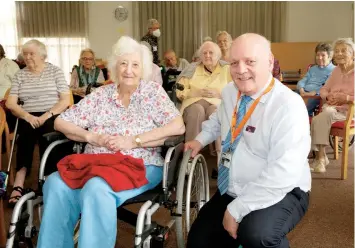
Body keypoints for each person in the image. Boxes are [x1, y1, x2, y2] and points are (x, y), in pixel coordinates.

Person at [37, 36, 185, 248]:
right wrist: (91, 137)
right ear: (114, 67)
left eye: (135, 65)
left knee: (96, 188)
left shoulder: (152, 93)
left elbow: (178, 126)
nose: (128, 70)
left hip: (140, 163)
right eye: (123, 63)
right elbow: (61, 122)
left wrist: (134, 141)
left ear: (142, 68)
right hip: (95, 163)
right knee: (55, 183)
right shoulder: (101, 95)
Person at [185, 33, 311, 248]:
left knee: (256, 235)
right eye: (234, 63)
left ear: (270, 61)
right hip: (234, 187)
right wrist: (200, 140)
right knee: (198, 241)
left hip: (282, 189)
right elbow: (218, 120)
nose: (241, 70)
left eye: (250, 61)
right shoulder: (229, 92)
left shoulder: (288, 105)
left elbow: (283, 172)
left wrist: (236, 209)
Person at [6, 39, 70, 205]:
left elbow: (65, 100)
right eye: (25, 53)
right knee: (25, 132)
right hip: (28, 114)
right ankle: (20, 180)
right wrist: (27, 116)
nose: (27, 57)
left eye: (31, 53)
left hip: (51, 113)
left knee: (49, 133)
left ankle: (48, 178)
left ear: (43, 55)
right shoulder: (20, 74)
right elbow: (10, 103)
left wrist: (47, 115)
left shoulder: (55, 71)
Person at [310, 38, 354, 173]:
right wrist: (327, 96)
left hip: (349, 112)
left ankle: (321, 158)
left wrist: (346, 98)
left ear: (353, 54)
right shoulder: (336, 71)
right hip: (330, 109)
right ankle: (321, 157)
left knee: (319, 118)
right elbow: (324, 89)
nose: (339, 54)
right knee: (322, 116)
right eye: (337, 51)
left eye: (343, 51)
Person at [297, 43, 336, 116]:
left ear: (330, 57)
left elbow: (327, 86)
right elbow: (303, 80)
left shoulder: (334, 70)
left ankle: (303, 121)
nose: (319, 58)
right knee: (289, 98)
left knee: (302, 109)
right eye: (318, 55)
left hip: (316, 96)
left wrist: (314, 92)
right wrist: (301, 89)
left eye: (323, 55)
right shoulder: (313, 69)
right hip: (303, 92)